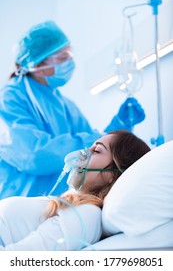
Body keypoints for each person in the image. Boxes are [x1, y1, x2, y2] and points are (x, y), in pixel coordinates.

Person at [0, 20, 145, 199]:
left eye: (70, 55)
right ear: (37, 65)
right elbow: (33, 155)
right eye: (62, 58)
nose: (69, 62)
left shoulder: (65, 104)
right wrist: (97, 140)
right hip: (22, 201)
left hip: (65, 201)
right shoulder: (9, 98)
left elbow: (91, 150)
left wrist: (119, 126)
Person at [0, 130, 150, 251]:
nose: (83, 153)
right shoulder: (72, 206)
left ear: (113, 174)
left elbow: (16, 261)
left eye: (96, 150)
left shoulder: (87, 214)